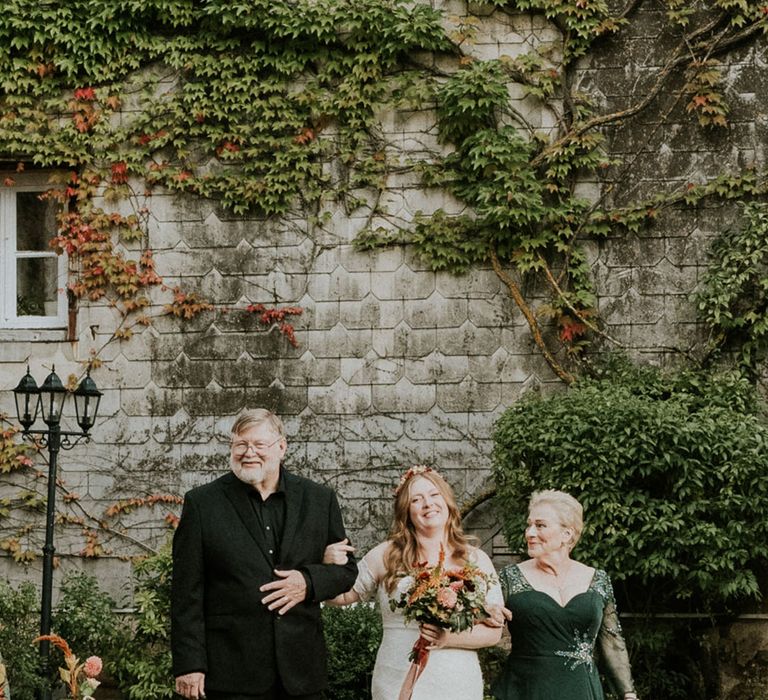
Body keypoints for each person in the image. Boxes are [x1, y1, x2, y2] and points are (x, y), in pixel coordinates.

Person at [171, 409, 358, 700]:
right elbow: (186, 594)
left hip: (302, 673)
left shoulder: (319, 499)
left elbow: (347, 572)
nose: (249, 453)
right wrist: (189, 664)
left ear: (281, 447)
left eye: (259, 445)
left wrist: (308, 581)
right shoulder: (202, 504)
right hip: (231, 674)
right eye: (240, 445)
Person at [324, 465, 503, 700]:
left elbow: (494, 633)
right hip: (395, 676)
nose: (428, 504)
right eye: (416, 500)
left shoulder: (475, 559)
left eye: (434, 495)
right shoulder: (385, 555)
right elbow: (342, 596)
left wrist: (447, 638)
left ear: (447, 501)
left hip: (456, 681)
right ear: (406, 511)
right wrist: (327, 565)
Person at [491, 489, 637, 700]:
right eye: (529, 525)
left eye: (540, 525)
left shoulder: (598, 579)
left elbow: (612, 641)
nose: (530, 533)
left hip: (582, 689)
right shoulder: (508, 578)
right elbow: (483, 622)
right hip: (527, 690)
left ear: (566, 534)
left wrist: (628, 694)